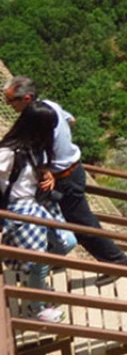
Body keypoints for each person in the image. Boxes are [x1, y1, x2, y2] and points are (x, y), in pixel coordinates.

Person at [4, 77, 127, 282]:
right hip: (73, 169)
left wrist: (47, 170)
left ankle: (116, 262)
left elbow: (39, 157)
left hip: (62, 178)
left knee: (80, 224)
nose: (8, 106)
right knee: (64, 220)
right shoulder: (50, 106)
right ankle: (48, 259)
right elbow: (71, 120)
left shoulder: (39, 124)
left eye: (11, 101)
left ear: (26, 98)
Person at [0, 102, 79, 323]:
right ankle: (35, 308)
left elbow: (38, 168)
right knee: (39, 258)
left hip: (34, 202)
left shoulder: (35, 149)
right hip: (17, 207)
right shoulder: (7, 153)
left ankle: (35, 281)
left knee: (66, 242)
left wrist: (47, 175)